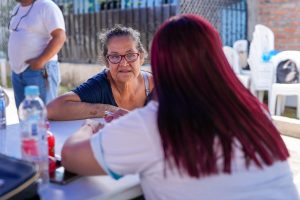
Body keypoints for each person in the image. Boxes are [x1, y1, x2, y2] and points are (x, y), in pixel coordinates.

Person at [61, 14, 299, 199]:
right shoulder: (255, 111)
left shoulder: (154, 124)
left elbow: (70, 157)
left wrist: (90, 126)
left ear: (155, 62)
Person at [46, 25, 153, 121]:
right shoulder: (100, 85)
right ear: (107, 62)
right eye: (115, 56)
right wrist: (108, 110)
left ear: (141, 57)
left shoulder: (155, 84)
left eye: (130, 55)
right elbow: (51, 109)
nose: (124, 63)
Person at [8, 0, 66, 109]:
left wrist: (40, 61)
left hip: (40, 71)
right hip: (17, 72)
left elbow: (60, 37)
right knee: (25, 117)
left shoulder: (46, 6)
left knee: (46, 115)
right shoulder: (17, 8)